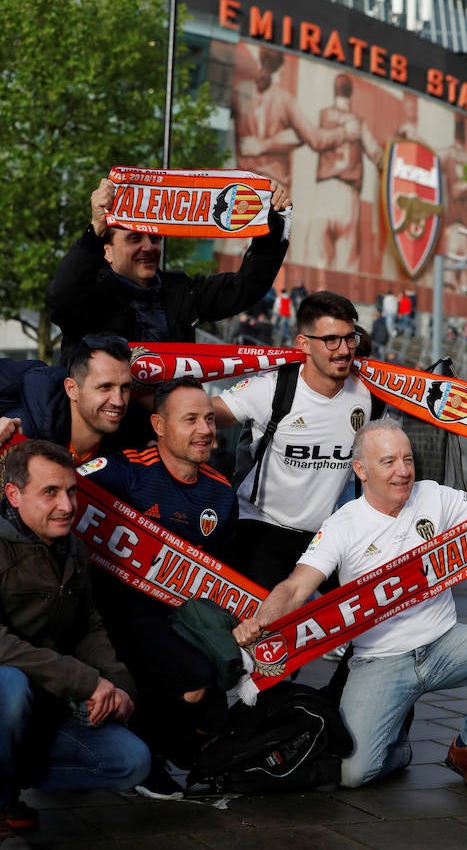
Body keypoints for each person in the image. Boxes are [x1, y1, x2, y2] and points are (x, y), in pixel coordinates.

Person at [233, 420, 467, 790]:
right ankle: (399, 748)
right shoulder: (342, 525)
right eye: (389, 462)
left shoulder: (433, 496)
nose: (403, 471)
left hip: (444, 645)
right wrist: (259, 621)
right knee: (353, 774)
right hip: (380, 661)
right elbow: (296, 588)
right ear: (361, 470)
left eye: (407, 459)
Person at [79, 377, 238, 800]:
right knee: (193, 678)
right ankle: (151, 759)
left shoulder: (221, 493)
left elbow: (222, 570)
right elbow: (61, 487)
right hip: (118, 607)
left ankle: (177, 746)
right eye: (190, 419)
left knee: (220, 691)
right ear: (159, 425)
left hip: (183, 612)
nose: (205, 429)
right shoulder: (126, 470)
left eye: (208, 418)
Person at [0, 440, 150, 840]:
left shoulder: (73, 548)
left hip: (45, 708)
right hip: (10, 696)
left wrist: (117, 687)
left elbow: (88, 626)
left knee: (133, 761)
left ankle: (6, 782)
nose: (67, 505)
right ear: (14, 495)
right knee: (9, 685)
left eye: (70, 490)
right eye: (50, 492)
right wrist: (85, 681)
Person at [213, 291, 376, 590]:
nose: (343, 350)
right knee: (264, 623)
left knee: (350, 624)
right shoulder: (272, 388)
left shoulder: (369, 396)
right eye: (331, 340)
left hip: (325, 535)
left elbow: (424, 403)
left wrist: (464, 406)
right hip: (262, 527)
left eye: (349, 338)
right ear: (304, 344)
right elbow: (203, 415)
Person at [46, 177, 292, 365]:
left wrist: (271, 219)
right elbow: (60, 301)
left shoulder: (182, 290)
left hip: (168, 426)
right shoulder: (90, 296)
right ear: (106, 250)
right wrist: (95, 230)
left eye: (155, 238)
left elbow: (246, 287)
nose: (148, 247)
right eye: (134, 238)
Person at [233, 46, 356, 192]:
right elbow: (316, 140)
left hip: (242, 185)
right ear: (281, 69)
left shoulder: (241, 92)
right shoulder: (284, 100)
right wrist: (344, 132)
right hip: (274, 188)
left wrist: (266, 143)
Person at [0, 334, 136, 464]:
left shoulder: (132, 441)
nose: (118, 401)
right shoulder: (19, 434)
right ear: (72, 389)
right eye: (105, 387)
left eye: (125, 387)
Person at [303, 72, 383, 270]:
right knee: (346, 267)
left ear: (334, 91)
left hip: (324, 191)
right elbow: (377, 155)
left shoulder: (323, 114)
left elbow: (313, 138)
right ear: (351, 94)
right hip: (348, 197)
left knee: (317, 262)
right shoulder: (359, 122)